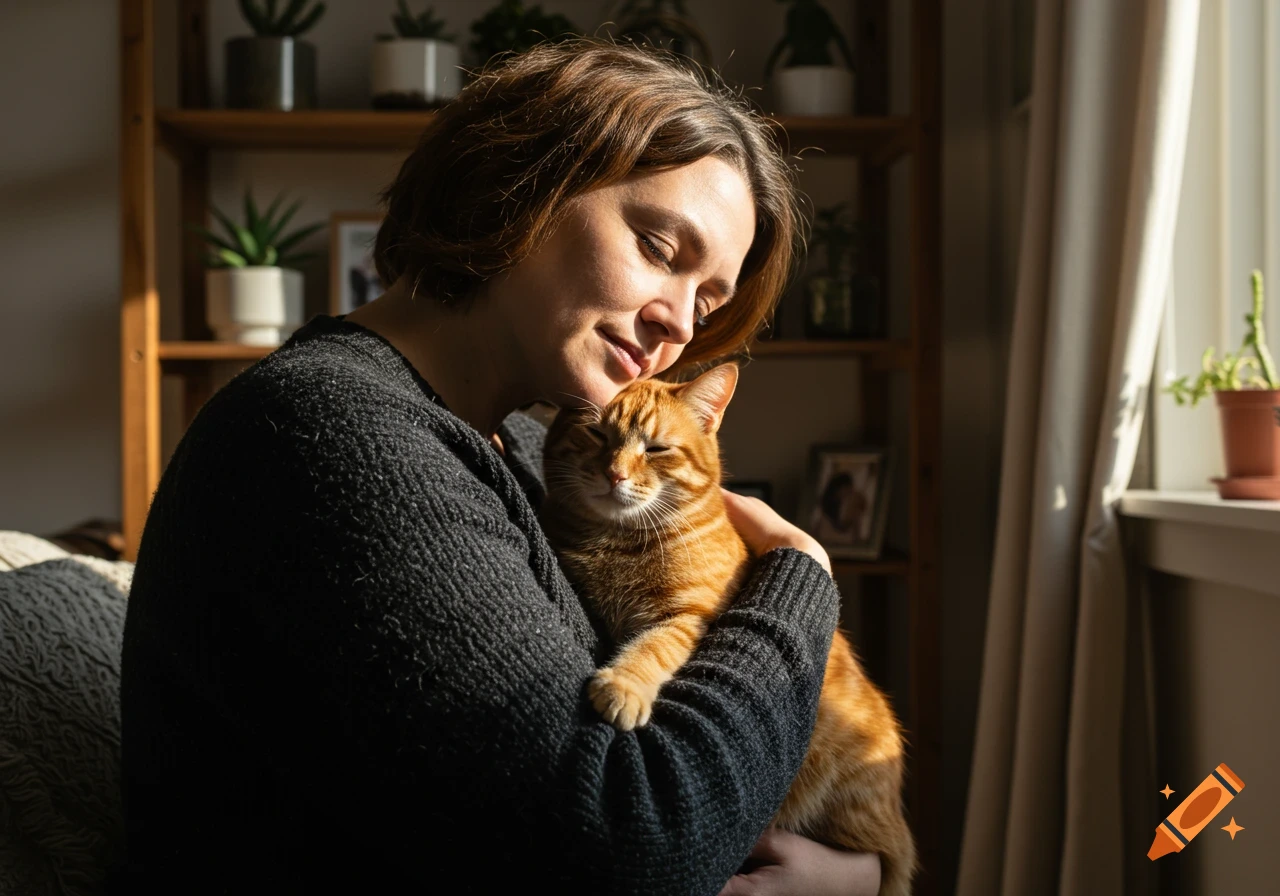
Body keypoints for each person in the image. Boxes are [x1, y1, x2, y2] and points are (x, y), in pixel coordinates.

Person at [113, 40, 883, 895]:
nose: (678, 326)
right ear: (524, 181)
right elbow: (625, 848)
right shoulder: (330, 433)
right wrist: (797, 583)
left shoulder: (511, 442)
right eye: (661, 249)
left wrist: (854, 875)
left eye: (709, 302)